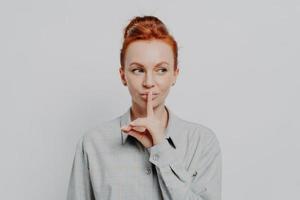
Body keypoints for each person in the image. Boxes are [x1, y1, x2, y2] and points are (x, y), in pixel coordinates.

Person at [67, 15, 222, 200]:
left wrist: (160, 146)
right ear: (123, 75)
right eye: (138, 70)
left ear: (175, 74)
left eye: (161, 70)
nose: (149, 82)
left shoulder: (201, 142)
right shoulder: (93, 144)